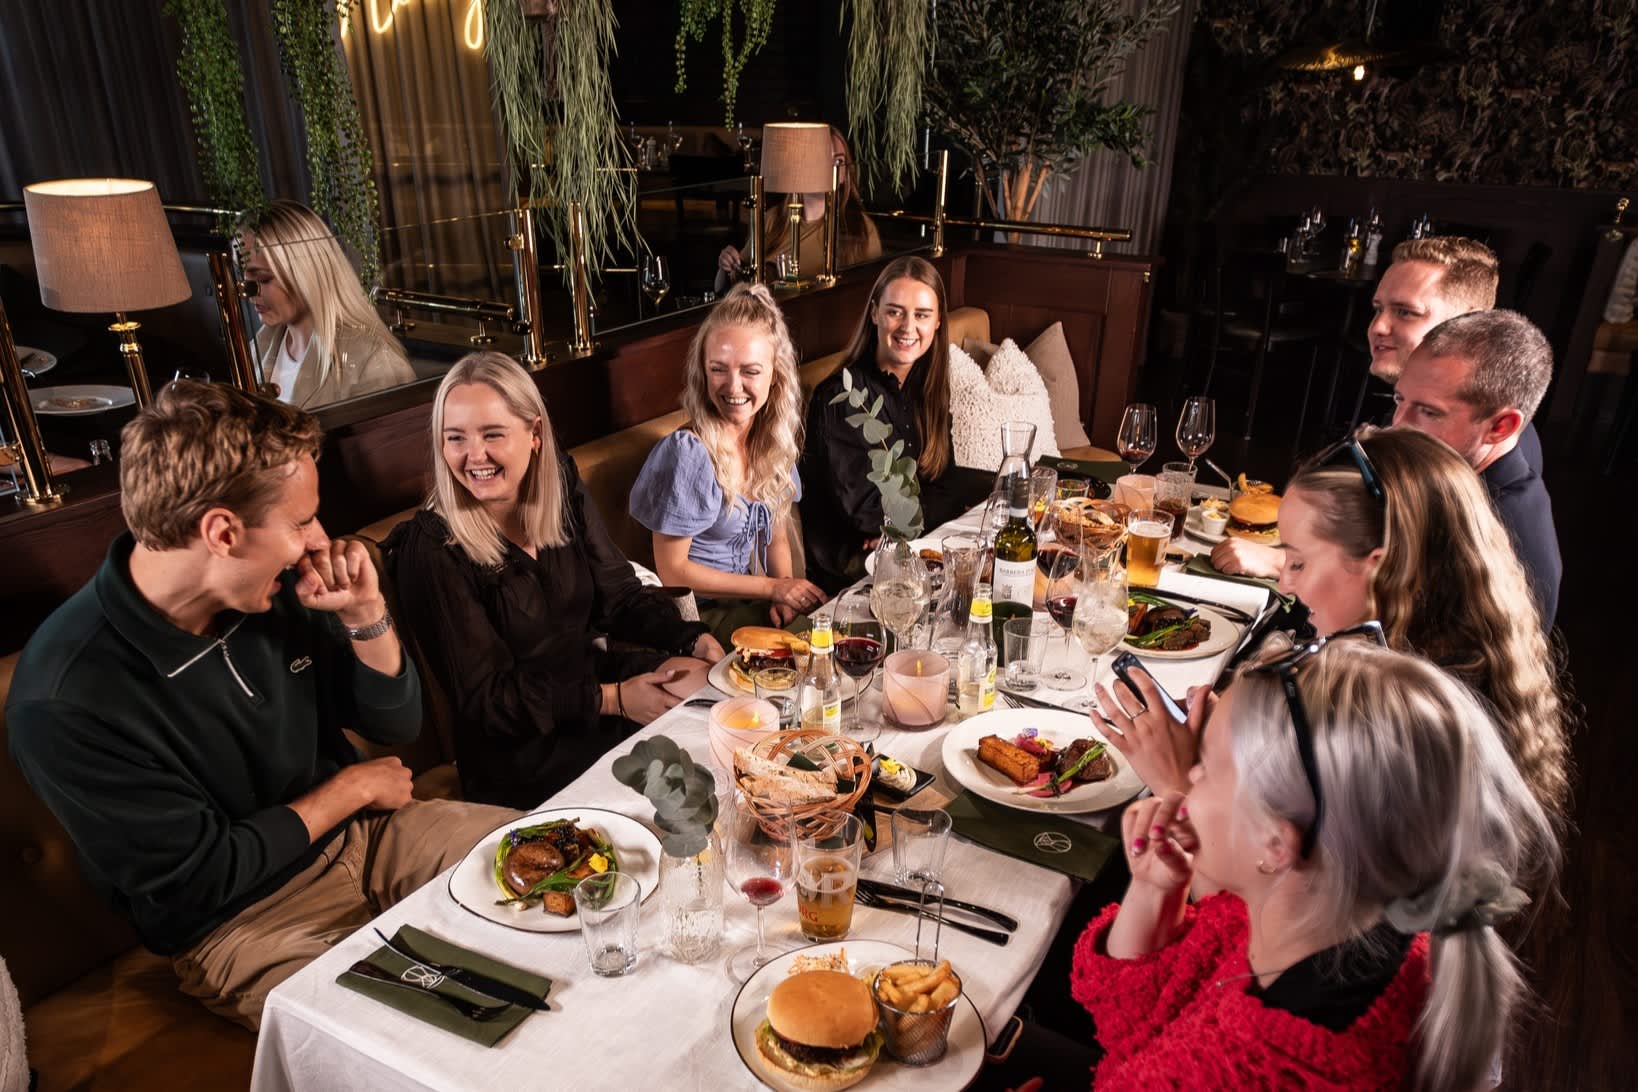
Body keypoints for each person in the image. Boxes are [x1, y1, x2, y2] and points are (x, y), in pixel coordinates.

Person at [5, 381, 517, 1030]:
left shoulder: (274, 590)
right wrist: (349, 790)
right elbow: (201, 880)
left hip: (374, 838)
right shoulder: (66, 695)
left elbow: (395, 725)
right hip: (244, 920)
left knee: (580, 864)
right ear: (221, 531)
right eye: (301, 520)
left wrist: (366, 616)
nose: (320, 539)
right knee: (447, 1027)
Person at [1075, 635, 1556, 1089]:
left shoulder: (1244, 1066)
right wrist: (1155, 891)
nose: (1189, 776)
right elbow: (1134, 1020)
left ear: (1276, 845)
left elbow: (1139, 1052)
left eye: (1208, 765)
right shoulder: (1347, 916)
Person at [387, 352, 724, 809]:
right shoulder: (430, 546)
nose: (474, 456)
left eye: (492, 435)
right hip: (521, 748)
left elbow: (620, 598)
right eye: (456, 439)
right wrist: (614, 700)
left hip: (598, 687)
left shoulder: (560, 485)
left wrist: (692, 638)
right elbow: (488, 701)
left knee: (712, 688)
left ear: (535, 435)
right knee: (685, 783)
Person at [1212, 236, 1549, 583]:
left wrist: (1284, 564)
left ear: (1468, 327)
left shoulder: (1492, 465)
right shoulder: (1413, 414)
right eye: (1378, 309)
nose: (1377, 327)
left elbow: (1415, 591)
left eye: (1405, 312)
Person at [629, 284, 827, 639]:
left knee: (829, 640)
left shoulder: (772, 442)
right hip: (697, 618)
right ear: (702, 372)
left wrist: (783, 591)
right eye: (719, 369)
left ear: (775, 375)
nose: (733, 387)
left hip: (750, 600)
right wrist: (771, 589)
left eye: (750, 371)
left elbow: (776, 539)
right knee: (810, 652)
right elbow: (673, 571)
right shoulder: (688, 452)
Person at [801, 256, 970, 588]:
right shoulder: (842, 398)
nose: (908, 327)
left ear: (937, 322)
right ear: (875, 313)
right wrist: (907, 523)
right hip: (848, 570)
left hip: (909, 550)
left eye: (921, 315)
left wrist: (907, 526)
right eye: (895, 312)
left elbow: (946, 485)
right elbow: (866, 512)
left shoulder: (928, 390)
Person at [1391, 309, 1561, 624]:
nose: (1398, 426)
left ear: (1502, 427)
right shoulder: (1458, 464)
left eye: (1429, 412)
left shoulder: (1498, 545)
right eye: (1399, 400)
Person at [242, 199, 416, 407]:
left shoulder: (372, 363)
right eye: (241, 275)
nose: (248, 292)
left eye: (263, 279)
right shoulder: (255, 351)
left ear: (305, 272)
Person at [714, 126, 883, 293]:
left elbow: (873, 292)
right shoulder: (772, 219)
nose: (831, 169)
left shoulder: (860, 228)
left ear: (845, 175)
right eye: (821, 159)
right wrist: (725, 266)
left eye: (838, 161)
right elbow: (727, 285)